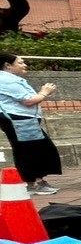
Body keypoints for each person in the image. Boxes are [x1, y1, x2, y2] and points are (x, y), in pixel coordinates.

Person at [0, 52, 63, 195]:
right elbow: (28, 100)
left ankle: (36, 181)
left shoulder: (10, 79)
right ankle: (33, 183)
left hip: (22, 120)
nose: (24, 65)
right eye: (20, 63)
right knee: (30, 151)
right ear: (7, 65)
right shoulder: (6, 80)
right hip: (19, 120)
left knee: (38, 148)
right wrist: (44, 92)